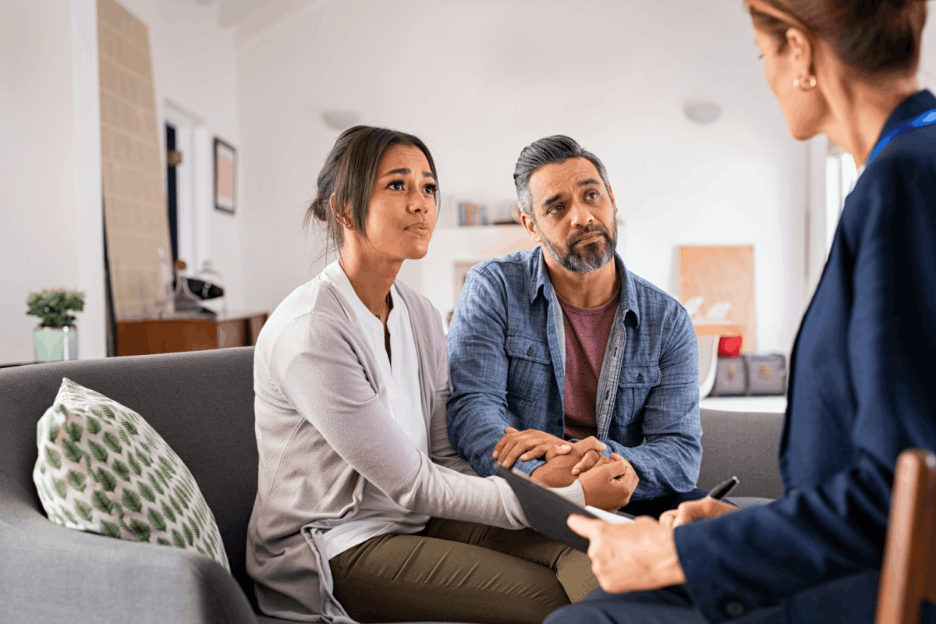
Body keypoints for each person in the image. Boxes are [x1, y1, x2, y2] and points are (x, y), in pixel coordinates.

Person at [546, 1, 936, 622]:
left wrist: (679, 552)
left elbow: (902, 495)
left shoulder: (903, 183)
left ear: (800, 51)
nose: (767, 75)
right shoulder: (909, 165)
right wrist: (734, 524)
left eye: (763, 54)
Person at [245, 125, 599, 624]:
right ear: (343, 208)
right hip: (337, 544)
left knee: (587, 548)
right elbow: (412, 483)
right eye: (398, 185)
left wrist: (545, 479)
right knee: (542, 597)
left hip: (422, 520)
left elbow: (443, 457)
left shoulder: (422, 313)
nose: (421, 204)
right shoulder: (312, 332)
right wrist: (561, 495)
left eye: (429, 187)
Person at [447, 135, 706, 518]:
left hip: (628, 491)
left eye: (591, 196)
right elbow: (474, 409)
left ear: (612, 199)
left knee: (731, 527)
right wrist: (542, 477)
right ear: (531, 226)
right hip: (535, 494)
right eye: (556, 207)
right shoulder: (494, 287)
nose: (582, 217)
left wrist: (592, 459)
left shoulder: (667, 320)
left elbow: (679, 451)